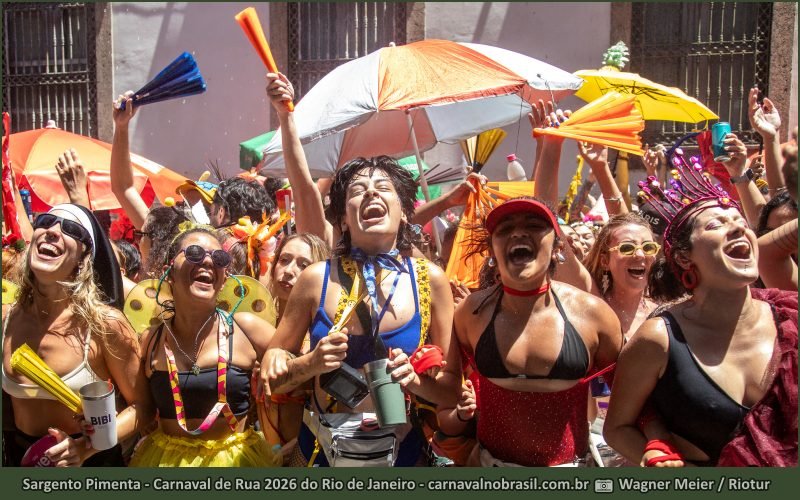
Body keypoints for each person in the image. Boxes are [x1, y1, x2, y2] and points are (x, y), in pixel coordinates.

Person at [604, 139, 798, 466]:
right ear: (683, 256)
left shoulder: (790, 315)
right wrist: (661, 461)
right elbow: (618, 428)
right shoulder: (659, 338)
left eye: (739, 223)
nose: (737, 229)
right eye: (716, 225)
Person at [260, 156, 459, 467]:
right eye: (357, 190)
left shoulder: (431, 280)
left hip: (403, 454)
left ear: (405, 213)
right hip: (321, 454)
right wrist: (310, 363)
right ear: (343, 220)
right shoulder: (315, 278)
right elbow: (272, 382)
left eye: (383, 187)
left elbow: (451, 393)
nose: (371, 194)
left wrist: (416, 383)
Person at [451, 197, 623, 466]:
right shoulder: (470, 313)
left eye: (534, 225)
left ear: (556, 247)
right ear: (492, 250)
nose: (519, 232)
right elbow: (445, 388)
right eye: (505, 229)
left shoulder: (594, 315)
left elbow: (631, 402)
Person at [2, 204, 147, 466]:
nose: (52, 231)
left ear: (84, 258)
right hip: (19, 461)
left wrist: (85, 448)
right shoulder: (5, 319)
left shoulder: (105, 325)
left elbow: (143, 408)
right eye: (45, 221)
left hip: (92, 462)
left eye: (70, 229)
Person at [129, 225, 278, 467]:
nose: (208, 261)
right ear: (170, 273)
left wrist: (278, 355)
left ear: (224, 279)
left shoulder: (246, 328)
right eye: (195, 253)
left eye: (219, 258)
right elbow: (142, 410)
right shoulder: (150, 340)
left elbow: (298, 367)